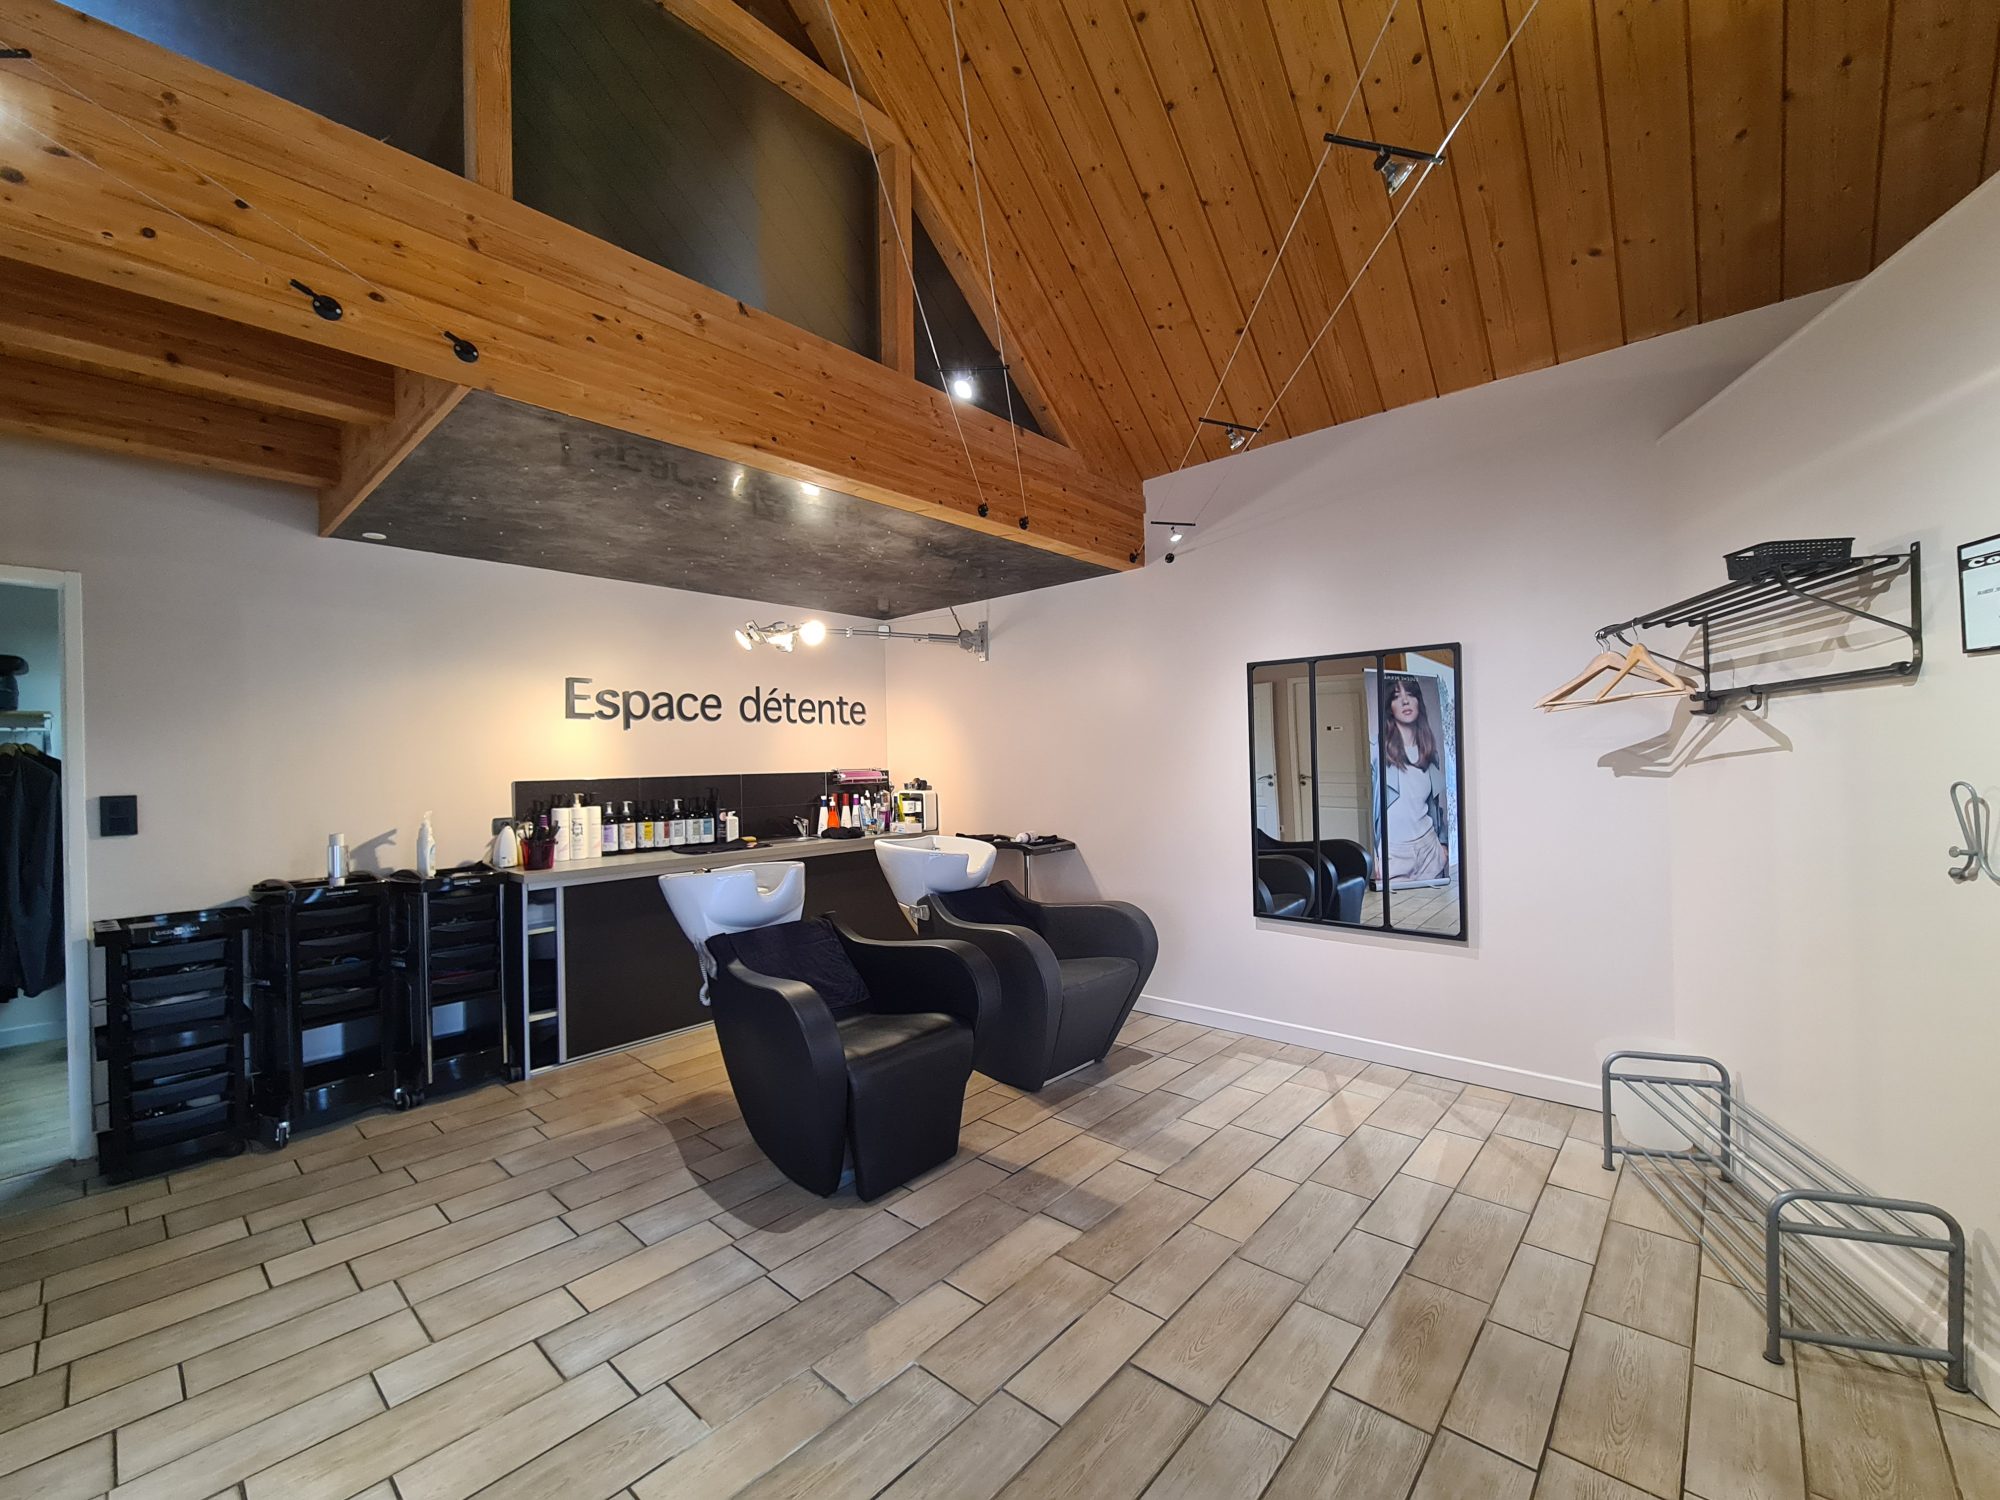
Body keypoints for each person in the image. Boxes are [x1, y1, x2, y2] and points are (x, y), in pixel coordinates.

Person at [1377, 674, 1449, 885]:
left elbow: (1435, 804)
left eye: (1410, 694)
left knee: (1436, 905)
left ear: (1418, 701)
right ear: (1389, 706)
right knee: (1396, 906)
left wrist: (1443, 846)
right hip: (1394, 853)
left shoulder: (1429, 752)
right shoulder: (1377, 752)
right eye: (1396, 696)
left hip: (1428, 849)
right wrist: (1375, 854)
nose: (1405, 701)